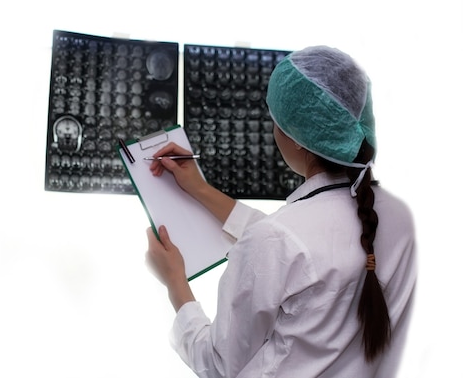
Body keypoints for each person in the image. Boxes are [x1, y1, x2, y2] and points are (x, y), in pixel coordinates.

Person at [145, 46, 417, 377]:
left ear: (298, 137)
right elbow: (301, 252)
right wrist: (200, 190)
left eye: (275, 118)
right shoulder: (400, 219)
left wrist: (174, 282)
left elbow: (218, 366)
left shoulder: (278, 241)